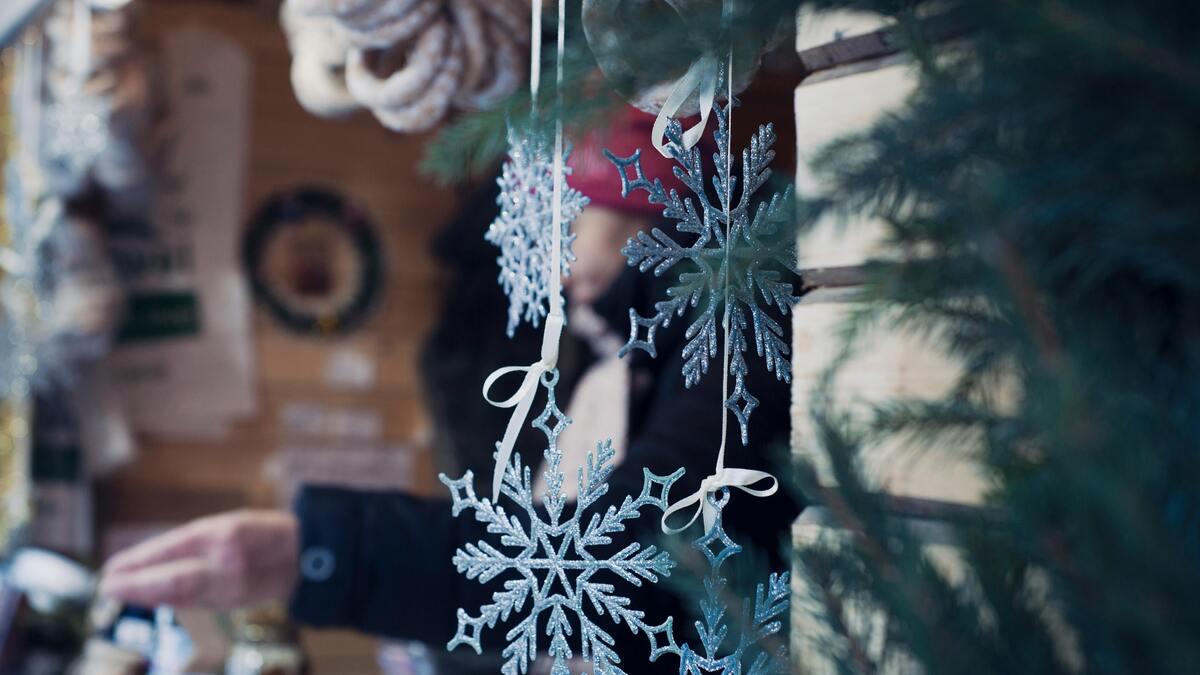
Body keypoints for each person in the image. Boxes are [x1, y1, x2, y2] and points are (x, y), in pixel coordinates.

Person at [99, 110, 800, 672]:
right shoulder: (641, 351)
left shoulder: (735, 320)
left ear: (638, 199)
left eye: (564, 229)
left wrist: (327, 553)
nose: (557, 276)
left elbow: (632, 557)